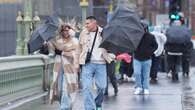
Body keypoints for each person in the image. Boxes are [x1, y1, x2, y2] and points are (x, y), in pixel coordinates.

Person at [78, 16, 115, 110]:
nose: (85, 25)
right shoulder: (83, 33)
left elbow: (111, 46)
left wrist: (112, 56)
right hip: (87, 63)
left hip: (101, 63)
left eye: (87, 23)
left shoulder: (104, 32)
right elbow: (79, 48)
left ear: (94, 23)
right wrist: (77, 62)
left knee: (102, 87)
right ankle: (89, 108)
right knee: (86, 88)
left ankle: (98, 103)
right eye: (85, 23)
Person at [49, 24, 79, 110]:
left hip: (69, 69)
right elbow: (52, 52)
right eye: (63, 30)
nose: (65, 32)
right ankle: (66, 105)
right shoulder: (57, 41)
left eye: (67, 30)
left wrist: (62, 52)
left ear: (71, 31)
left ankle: (64, 107)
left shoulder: (75, 41)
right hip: (58, 68)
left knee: (66, 88)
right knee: (59, 89)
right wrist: (49, 44)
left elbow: (74, 54)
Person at [133, 25, 158, 95]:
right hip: (137, 58)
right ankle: (138, 87)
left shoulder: (151, 36)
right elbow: (132, 45)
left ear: (146, 29)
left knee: (146, 75)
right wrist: (134, 50)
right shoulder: (135, 36)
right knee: (137, 73)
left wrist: (150, 52)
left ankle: (146, 88)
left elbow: (156, 46)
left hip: (147, 58)